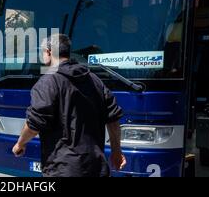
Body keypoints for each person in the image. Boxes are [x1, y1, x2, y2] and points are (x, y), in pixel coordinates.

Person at [12, 34, 126, 177]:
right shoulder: (94, 79)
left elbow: (35, 124)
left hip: (63, 169)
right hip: (96, 166)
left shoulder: (47, 82)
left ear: (48, 52)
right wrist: (116, 151)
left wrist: (20, 143)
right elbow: (113, 118)